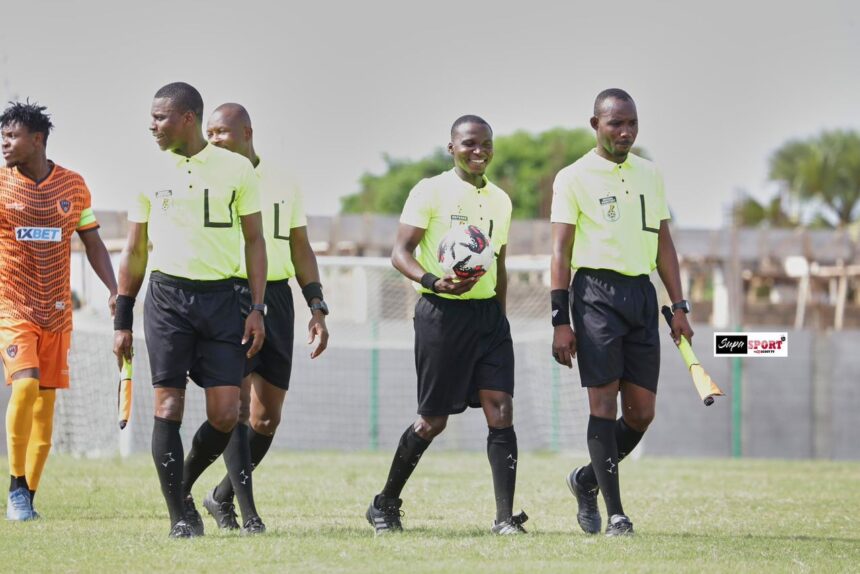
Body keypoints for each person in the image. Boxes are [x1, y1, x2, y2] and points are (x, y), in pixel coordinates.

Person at [112, 82, 268, 538]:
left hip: (222, 300)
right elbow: (135, 249)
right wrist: (122, 318)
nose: (152, 126)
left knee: (225, 413)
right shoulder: (145, 171)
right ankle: (180, 516)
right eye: (152, 117)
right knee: (169, 403)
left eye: (161, 117)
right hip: (166, 299)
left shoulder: (237, 169)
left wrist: (257, 307)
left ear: (188, 119)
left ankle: (184, 489)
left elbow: (255, 241)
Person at [365, 115, 525, 535]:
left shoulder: (501, 201)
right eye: (470, 144)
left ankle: (504, 519)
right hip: (440, 315)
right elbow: (400, 252)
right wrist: (434, 281)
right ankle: (384, 503)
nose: (479, 151)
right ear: (451, 147)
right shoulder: (430, 191)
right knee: (432, 421)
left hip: (488, 318)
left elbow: (500, 265)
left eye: (486, 144)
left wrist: (500, 317)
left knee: (501, 410)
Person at [549, 88, 693, 536]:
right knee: (602, 404)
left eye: (632, 123)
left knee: (642, 414)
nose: (626, 131)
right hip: (595, 294)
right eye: (616, 123)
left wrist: (679, 304)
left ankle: (586, 480)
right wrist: (560, 320)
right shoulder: (572, 177)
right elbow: (559, 251)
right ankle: (616, 514)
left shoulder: (650, 174)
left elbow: (663, 242)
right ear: (596, 125)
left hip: (642, 295)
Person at [200, 103, 330, 529]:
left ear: (247, 132)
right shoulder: (206, 179)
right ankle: (248, 513)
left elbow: (300, 247)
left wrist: (316, 304)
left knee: (266, 417)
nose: (214, 139)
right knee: (234, 408)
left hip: (277, 298)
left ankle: (217, 495)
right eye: (209, 133)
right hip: (230, 296)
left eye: (221, 132)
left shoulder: (284, 181)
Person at [1, 101, 117, 521]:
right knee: (25, 387)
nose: (5, 143)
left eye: (12, 136)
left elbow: (93, 242)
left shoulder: (73, 186)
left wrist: (115, 290)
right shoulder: (1, 185)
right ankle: (15, 485)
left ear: (37, 140)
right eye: (3, 136)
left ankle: (27, 496)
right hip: (12, 306)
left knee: (45, 412)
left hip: (56, 311)